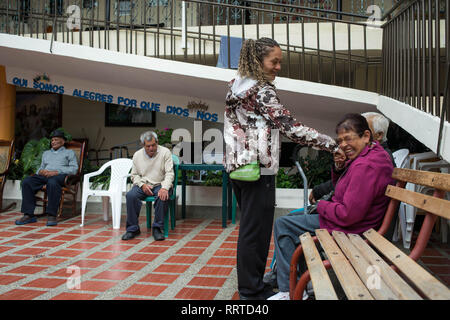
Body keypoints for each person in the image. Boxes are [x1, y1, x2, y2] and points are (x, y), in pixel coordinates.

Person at [224, 37, 339, 300]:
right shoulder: (262, 92)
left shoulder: (235, 88)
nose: (278, 67)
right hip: (258, 171)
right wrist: (330, 144)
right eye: (274, 61)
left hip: (238, 169)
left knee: (251, 231)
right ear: (257, 61)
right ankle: (251, 291)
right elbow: (291, 128)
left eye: (280, 62)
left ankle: (255, 285)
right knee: (256, 233)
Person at [268, 113, 395, 300]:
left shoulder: (366, 165)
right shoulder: (370, 155)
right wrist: (339, 168)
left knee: (283, 226)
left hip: (353, 229)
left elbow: (348, 215)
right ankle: (303, 284)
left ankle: (290, 290)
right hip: (354, 223)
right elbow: (343, 189)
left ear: (366, 136)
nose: (343, 145)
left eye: (348, 138)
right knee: (292, 222)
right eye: (340, 140)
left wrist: (321, 205)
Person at [309, 111, 395, 205]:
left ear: (377, 135)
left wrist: (321, 201)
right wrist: (339, 167)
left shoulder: (373, 160)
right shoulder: (366, 154)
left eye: (361, 130)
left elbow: (350, 211)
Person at [15, 130, 78, 227]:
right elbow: (41, 167)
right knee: (27, 181)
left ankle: (52, 215)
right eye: (52, 140)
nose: (53, 142)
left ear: (63, 141)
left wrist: (56, 172)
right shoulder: (46, 153)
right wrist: (40, 171)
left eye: (56, 139)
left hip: (59, 175)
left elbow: (74, 169)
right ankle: (28, 215)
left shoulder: (69, 153)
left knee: (52, 182)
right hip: (45, 175)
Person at [122, 131, 174, 241]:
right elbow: (134, 175)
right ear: (143, 145)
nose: (151, 148)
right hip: (144, 184)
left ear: (157, 143)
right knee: (131, 196)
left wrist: (165, 188)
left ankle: (157, 228)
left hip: (161, 183)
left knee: (162, 195)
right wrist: (142, 185)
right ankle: (132, 229)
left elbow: (170, 173)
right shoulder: (137, 155)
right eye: (148, 146)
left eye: (153, 145)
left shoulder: (165, 152)